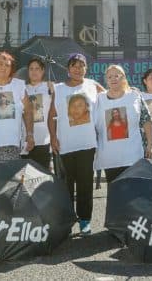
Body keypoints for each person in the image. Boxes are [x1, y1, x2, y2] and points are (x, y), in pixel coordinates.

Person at [49, 53, 103, 236]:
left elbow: (112, 97)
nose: (78, 69)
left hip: (87, 144)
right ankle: (66, 221)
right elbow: (51, 116)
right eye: (74, 65)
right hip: (65, 144)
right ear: (68, 69)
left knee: (85, 184)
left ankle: (85, 221)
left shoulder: (92, 86)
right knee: (65, 185)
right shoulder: (59, 89)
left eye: (82, 66)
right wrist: (53, 138)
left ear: (86, 68)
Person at [94, 64, 152, 184]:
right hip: (110, 157)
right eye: (110, 77)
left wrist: (150, 145)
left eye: (117, 75)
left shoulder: (135, 95)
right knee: (114, 192)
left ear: (123, 78)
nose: (113, 79)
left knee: (134, 191)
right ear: (106, 80)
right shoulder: (98, 99)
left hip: (133, 155)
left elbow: (146, 120)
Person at [22, 57, 53, 169]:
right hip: (25, 140)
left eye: (37, 68)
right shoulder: (22, 89)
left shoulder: (49, 87)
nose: (34, 71)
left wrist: (53, 91)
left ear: (43, 71)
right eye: (31, 69)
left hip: (44, 139)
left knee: (41, 175)